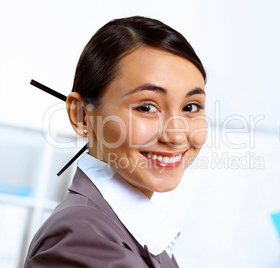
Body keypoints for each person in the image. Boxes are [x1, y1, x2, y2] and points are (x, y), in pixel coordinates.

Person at [24, 16, 207, 268]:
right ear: (82, 116)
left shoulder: (137, 234)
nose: (176, 136)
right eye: (146, 107)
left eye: (190, 106)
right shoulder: (83, 239)